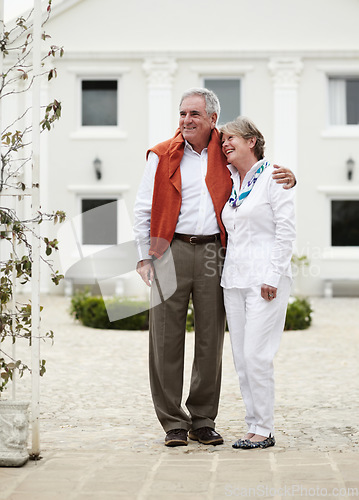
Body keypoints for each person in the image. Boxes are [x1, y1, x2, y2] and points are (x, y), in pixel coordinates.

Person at [133, 88, 296, 447]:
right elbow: (143, 208)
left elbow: (259, 170)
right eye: (182, 114)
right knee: (164, 339)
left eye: (194, 114)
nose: (186, 121)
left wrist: (289, 175)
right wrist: (144, 255)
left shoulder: (225, 150)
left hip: (214, 253)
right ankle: (173, 422)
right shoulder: (161, 155)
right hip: (169, 249)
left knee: (211, 339)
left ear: (212, 119)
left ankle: (203, 419)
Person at [220, 116, 296, 449]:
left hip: (266, 280)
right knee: (241, 358)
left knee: (257, 355)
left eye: (231, 138)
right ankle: (253, 424)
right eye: (222, 141)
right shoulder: (232, 179)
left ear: (252, 141)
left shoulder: (274, 177)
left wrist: (273, 275)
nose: (225, 144)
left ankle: (264, 429)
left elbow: (286, 231)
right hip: (234, 279)